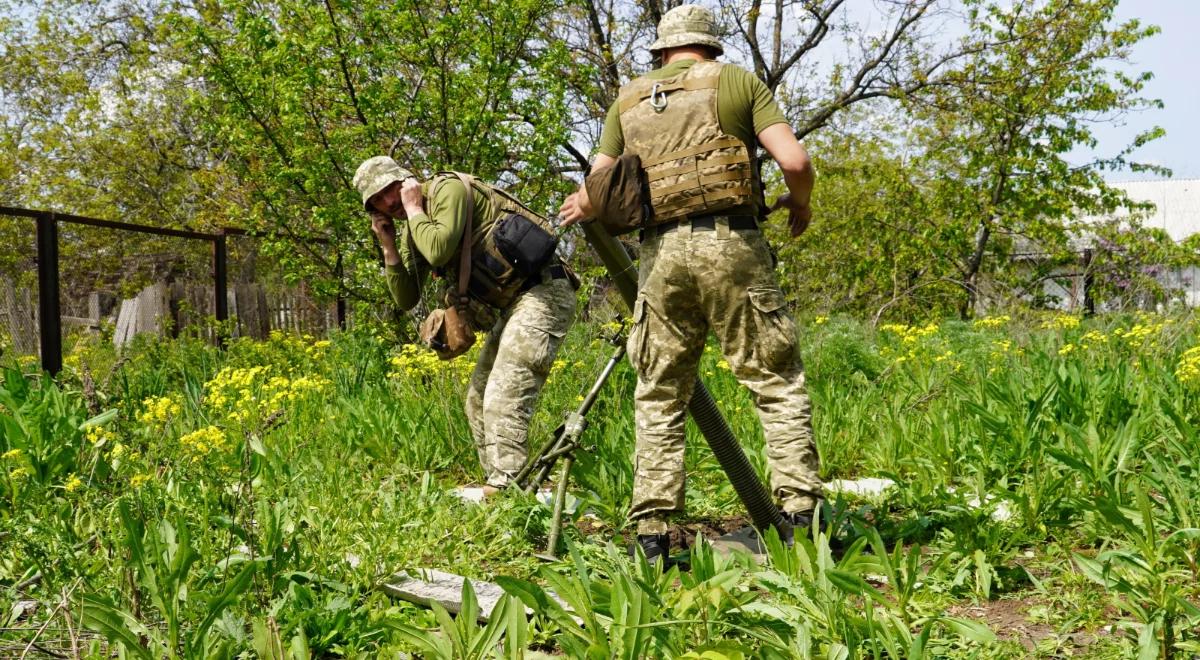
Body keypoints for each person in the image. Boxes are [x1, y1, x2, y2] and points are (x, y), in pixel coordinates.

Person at [559, 4, 821, 562]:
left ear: (662, 50)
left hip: (660, 258)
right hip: (731, 245)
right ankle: (801, 521)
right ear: (710, 46)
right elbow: (794, 162)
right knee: (774, 381)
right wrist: (799, 204)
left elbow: (594, 192)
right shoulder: (735, 83)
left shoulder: (628, 99)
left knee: (659, 391)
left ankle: (652, 536)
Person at [354, 156, 577, 495]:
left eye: (390, 190)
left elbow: (440, 250)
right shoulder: (413, 229)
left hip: (544, 291)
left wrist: (414, 210)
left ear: (406, 179)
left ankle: (509, 490)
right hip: (514, 304)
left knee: (503, 396)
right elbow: (405, 298)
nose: (388, 202)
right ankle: (504, 486)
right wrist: (387, 244)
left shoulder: (447, 190)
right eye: (377, 202)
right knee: (476, 397)